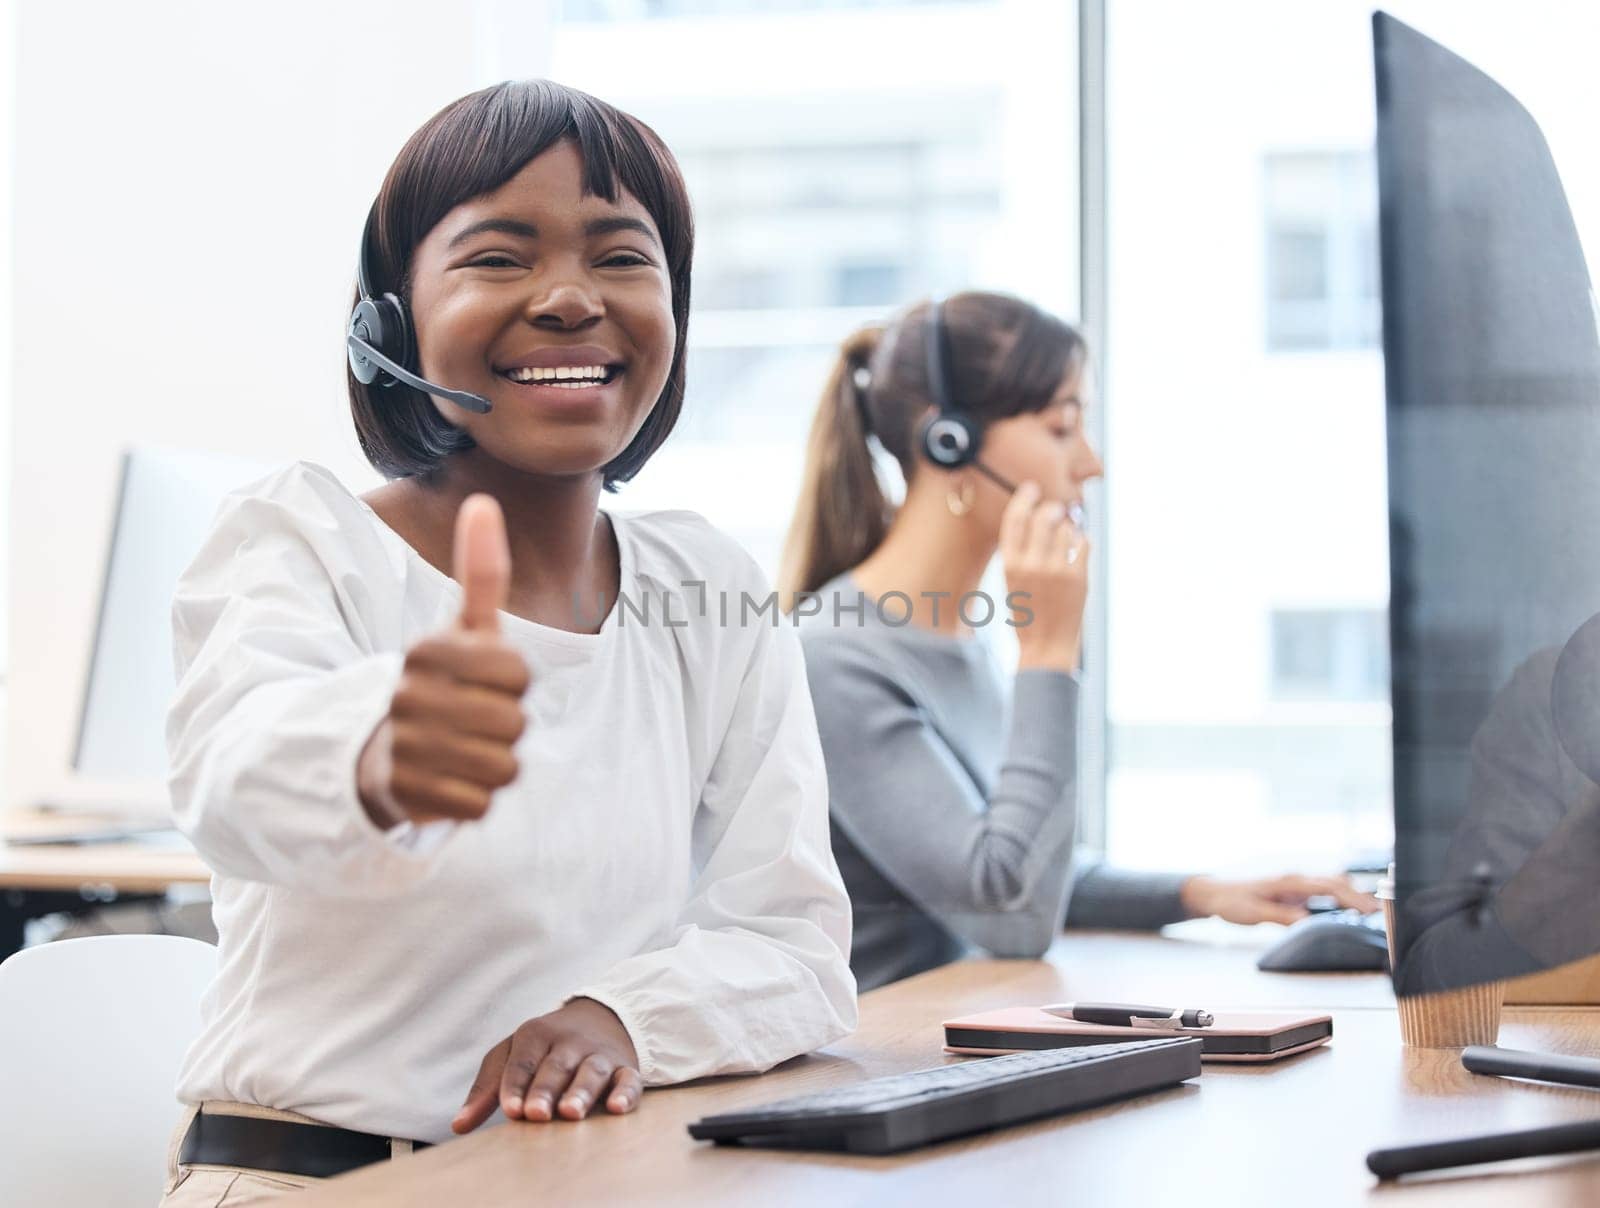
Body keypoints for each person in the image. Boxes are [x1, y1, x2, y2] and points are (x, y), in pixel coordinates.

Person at [159, 80, 855, 1204]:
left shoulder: (704, 584)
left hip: (589, 1178)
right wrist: (375, 754)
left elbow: (794, 944)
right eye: (497, 256)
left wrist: (625, 1016)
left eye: (623, 256)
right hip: (317, 1183)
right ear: (390, 320)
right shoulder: (299, 537)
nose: (572, 298)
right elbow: (229, 776)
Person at [779, 291, 1375, 992]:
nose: (1089, 463)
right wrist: (1047, 650)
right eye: (1063, 429)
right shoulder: (836, 657)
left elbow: (1028, 865)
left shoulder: (953, 633)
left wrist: (1199, 893)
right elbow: (1011, 911)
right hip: (881, 1061)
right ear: (951, 443)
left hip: (958, 1032)